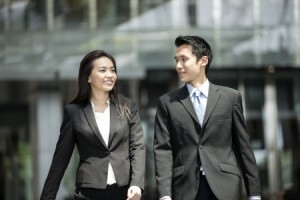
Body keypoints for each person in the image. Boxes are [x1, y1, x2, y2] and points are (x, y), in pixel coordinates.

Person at [153, 35, 261, 200]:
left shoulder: (230, 98)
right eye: (176, 60)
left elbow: (243, 147)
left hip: (225, 187)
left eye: (184, 59)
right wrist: (165, 195)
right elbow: (163, 150)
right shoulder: (167, 102)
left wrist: (254, 194)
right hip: (185, 188)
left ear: (203, 61)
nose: (178, 66)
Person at [40, 50, 145, 200]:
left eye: (113, 70)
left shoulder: (128, 107)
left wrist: (137, 183)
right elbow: (60, 160)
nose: (110, 75)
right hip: (89, 193)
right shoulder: (74, 112)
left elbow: (138, 147)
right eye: (103, 70)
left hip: (125, 191)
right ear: (88, 77)